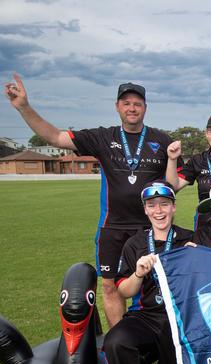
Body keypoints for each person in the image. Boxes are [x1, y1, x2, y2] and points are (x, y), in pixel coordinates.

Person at [5, 75, 177, 328]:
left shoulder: (162, 141)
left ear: (145, 108)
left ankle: (151, 344)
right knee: (109, 286)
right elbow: (55, 138)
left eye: (137, 104)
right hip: (112, 227)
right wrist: (23, 107)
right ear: (117, 107)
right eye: (126, 103)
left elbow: (173, 184)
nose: (132, 108)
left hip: (149, 228)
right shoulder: (102, 137)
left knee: (153, 285)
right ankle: (119, 344)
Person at [102, 181, 194, 364]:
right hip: (146, 316)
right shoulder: (135, 243)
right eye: (152, 206)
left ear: (174, 207)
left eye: (164, 204)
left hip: (179, 318)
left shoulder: (188, 239)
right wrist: (139, 272)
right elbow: (125, 292)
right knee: (116, 342)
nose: (159, 211)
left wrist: (196, 259)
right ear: (145, 210)